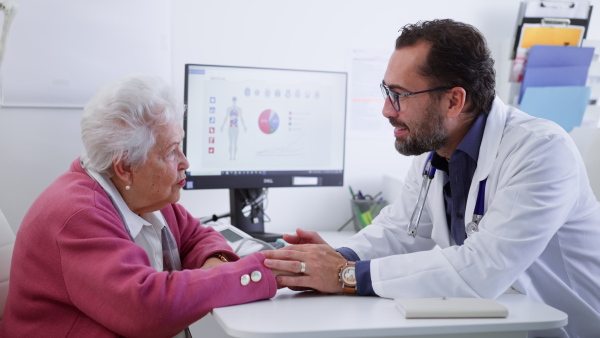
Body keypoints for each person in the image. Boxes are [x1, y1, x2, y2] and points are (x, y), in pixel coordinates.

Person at [264, 19, 600, 338]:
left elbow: (483, 268)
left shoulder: (540, 151)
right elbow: (399, 233)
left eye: (400, 95)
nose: (386, 109)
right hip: (505, 322)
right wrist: (340, 257)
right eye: (386, 91)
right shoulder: (435, 153)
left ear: (454, 100)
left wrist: (343, 275)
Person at [0, 75, 281, 338]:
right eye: (171, 151)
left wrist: (215, 268)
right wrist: (264, 272)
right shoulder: (78, 215)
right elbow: (148, 308)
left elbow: (197, 236)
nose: (185, 162)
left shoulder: (143, 195)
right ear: (125, 167)